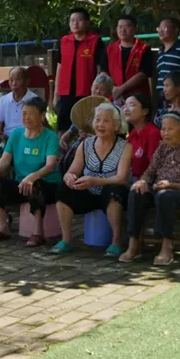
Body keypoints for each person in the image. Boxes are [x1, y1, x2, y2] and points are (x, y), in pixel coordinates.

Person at [120, 113, 180, 265]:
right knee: (136, 192)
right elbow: (150, 172)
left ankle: (167, 246)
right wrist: (142, 181)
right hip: (160, 189)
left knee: (164, 195)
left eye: (170, 129)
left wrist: (171, 185)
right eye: (163, 129)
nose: (165, 133)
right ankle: (133, 243)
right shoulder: (162, 148)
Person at [53, 103, 132, 257]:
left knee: (114, 191)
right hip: (88, 192)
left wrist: (94, 180)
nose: (100, 124)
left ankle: (116, 241)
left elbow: (122, 178)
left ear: (116, 126)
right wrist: (70, 177)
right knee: (63, 189)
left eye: (106, 121)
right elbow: (72, 171)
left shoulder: (125, 147)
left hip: (111, 194)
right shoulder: (86, 144)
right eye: (97, 119)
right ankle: (66, 239)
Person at [0, 97, 61, 246]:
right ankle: (3, 228)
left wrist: (32, 176)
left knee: (35, 185)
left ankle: (38, 233)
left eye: (31, 114)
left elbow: (50, 165)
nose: (26, 117)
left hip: (47, 185)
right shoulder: (16, 134)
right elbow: (5, 159)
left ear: (42, 116)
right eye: (24, 113)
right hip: (21, 183)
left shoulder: (50, 137)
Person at [53, 8, 108, 133]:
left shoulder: (95, 41)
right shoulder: (64, 41)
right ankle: (63, 146)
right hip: (65, 92)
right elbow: (59, 68)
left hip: (86, 92)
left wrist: (97, 94)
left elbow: (100, 69)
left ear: (87, 22)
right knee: (63, 128)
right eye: (72, 20)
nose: (75, 23)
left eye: (79, 20)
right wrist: (56, 94)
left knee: (85, 128)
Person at [58, 73, 113, 153]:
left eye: (102, 89)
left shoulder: (111, 111)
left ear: (109, 94)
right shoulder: (85, 106)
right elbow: (75, 126)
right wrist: (66, 136)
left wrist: (91, 136)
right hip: (82, 144)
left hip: (101, 147)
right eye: (96, 87)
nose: (98, 91)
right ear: (91, 88)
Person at [107, 15, 153, 104]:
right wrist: (116, 92)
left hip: (138, 98)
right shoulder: (109, 50)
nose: (123, 30)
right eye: (120, 27)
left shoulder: (144, 49)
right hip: (114, 97)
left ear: (135, 29)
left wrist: (121, 89)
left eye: (127, 27)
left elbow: (143, 73)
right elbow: (104, 72)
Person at [123, 94, 161, 182]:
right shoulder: (133, 132)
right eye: (125, 105)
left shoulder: (153, 133)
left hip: (145, 182)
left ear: (145, 111)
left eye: (131, 105)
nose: (126, 109)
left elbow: (154, 166)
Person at [0, 67, 38, 137]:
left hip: (27, 138)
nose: (14, 83)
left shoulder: (34, 99)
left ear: (27, 81)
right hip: (7, 139)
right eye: (11, 80)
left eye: (18, 80)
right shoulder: (3, 100)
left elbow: (38, 127)